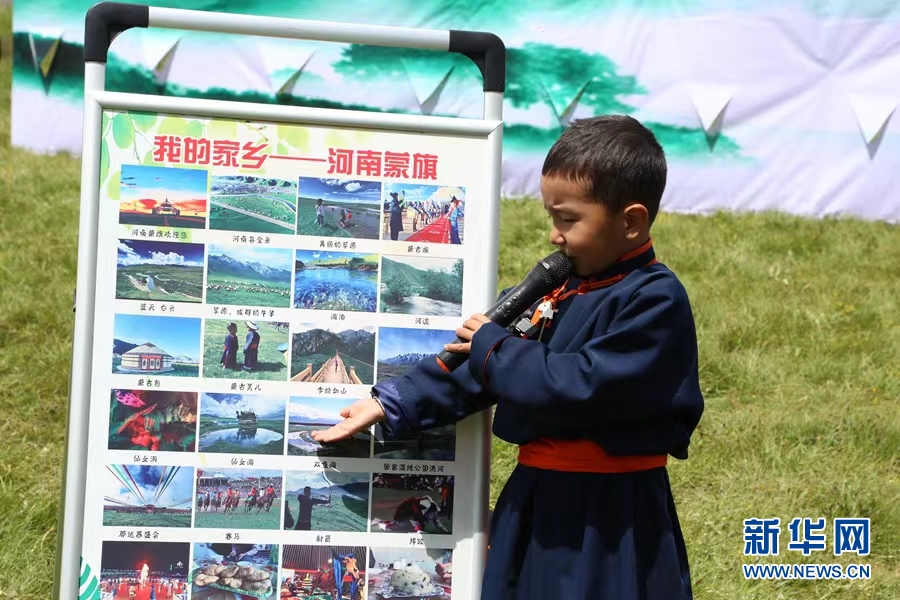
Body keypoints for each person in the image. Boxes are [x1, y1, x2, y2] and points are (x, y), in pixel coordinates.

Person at [312, 115, 704, 599]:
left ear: (631, 222)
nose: (555, 236)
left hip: (614, 510)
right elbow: (477, 369)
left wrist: (495, 347)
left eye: (568, 220)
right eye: (552, 218)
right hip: (537, 493)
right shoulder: (557, 289)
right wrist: (391, 402)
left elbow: (583, 383)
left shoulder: (655, 299)